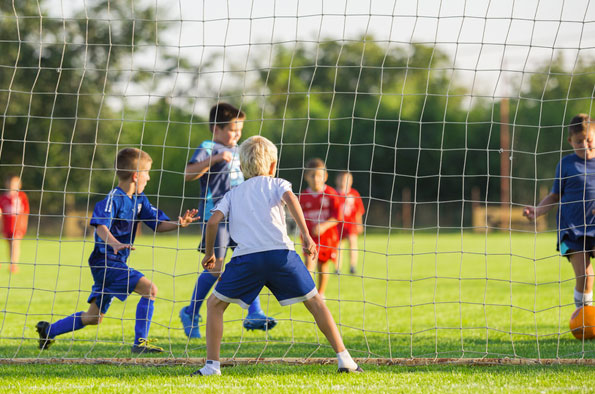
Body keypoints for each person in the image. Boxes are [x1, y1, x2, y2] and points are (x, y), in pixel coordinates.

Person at [191, 136, 362, 376]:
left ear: (241, 167)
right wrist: (306, 234)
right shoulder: (278, 183)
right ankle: (345, 359)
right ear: (273, 166)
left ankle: (212, 366)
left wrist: (210, 254)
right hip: (282, 255)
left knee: (214, 305)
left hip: (247, 259)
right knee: (315, 302)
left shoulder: (233, 193)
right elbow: (291, 200)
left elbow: (213, 222)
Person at [36, 148, 199, 353]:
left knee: (93, 317)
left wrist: (179, 223)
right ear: (135, 176)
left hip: (114, 263)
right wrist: (114, 243)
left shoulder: (140, 200)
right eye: (147, 172)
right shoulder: (113, 198)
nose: (149, 178)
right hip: (105, 262)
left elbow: (158, 224)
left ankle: (49, 330)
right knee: (150, 290)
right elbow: (100, 225)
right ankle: (140, 343)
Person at [179, 103, 276, 339]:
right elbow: (188, 174)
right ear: (216, 129)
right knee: (216, 266)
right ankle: (190, 312)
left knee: (250, 258)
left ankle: (254, 313)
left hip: (240, 216)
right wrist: (214, 159)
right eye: (233, 130)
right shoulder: (208, 147)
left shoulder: (240, 150)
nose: (238, 135)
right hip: (216, 216)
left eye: (240, 130)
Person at [524, 113, 595, 309]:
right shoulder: (566, 164)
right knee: (585, 275)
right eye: (579, 141)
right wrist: (537, 211)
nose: (585, 145)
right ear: (570, 141)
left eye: (589, 140)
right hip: (573, 227)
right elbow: (555, 195)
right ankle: (584, 315)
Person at [299, 158, 343, 299]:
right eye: (312, 175)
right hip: (309, 237)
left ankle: (321, 293)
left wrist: (324, 226)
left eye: (319, 175)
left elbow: (337, 216)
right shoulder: (303, 197)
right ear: (306, 177)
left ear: (325, 176)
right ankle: (309, 293)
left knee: (323, 265)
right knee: (309, 264)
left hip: (327, 237)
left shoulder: (330, 193)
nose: (316, 179)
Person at [335, 171, 365, 274]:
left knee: (352, 244)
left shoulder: (354, 194)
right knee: (338, 246)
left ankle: (353, 266)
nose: (345, 181)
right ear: (337, 180)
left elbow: (359, 211)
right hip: (337, 224)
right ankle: (337, 268)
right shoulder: (333, 194)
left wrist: (359, 224)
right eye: (342, 179)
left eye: (348, 179)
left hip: (351, 224)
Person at [0, 174, 29, 273]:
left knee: (15, 243)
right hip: (7, 225)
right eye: (11, 183)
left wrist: (24, 224)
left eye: (16, 183)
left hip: (18, 225)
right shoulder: (3, 198)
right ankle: (11, 262)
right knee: (9, 244)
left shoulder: (22, 196)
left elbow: (26, 212)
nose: (13, 185)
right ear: (7, 184)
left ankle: (14, 264)